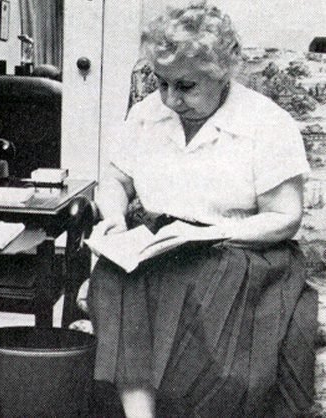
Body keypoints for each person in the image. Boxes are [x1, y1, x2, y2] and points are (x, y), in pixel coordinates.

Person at [78, 3, 317, 417]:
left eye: (186, 86)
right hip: (161, 241)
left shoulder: (266, 123)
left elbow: (285, 218)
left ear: (222, 72)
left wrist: (205, 234)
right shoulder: (147, 113)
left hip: (241, 249)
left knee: (200, 290)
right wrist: (114, 217)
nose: (170, 98)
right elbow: (115, 181)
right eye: (161, 82)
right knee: (115, 274)